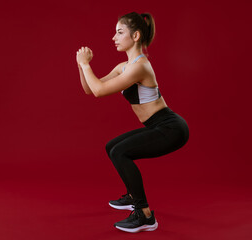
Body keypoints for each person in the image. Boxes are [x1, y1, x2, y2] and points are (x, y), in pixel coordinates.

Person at [76, 12, 189, 233]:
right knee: (112, 147)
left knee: (120, 152)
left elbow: (98, 91)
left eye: (119, 32)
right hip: (158, 126)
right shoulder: (123, 67)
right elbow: (91, 88)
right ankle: (132, 196)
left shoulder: (140, 66)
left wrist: (85, 64)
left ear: (135, 35)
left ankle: (145, 214)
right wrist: (81, 66)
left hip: (171, 128)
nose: (114, 37)